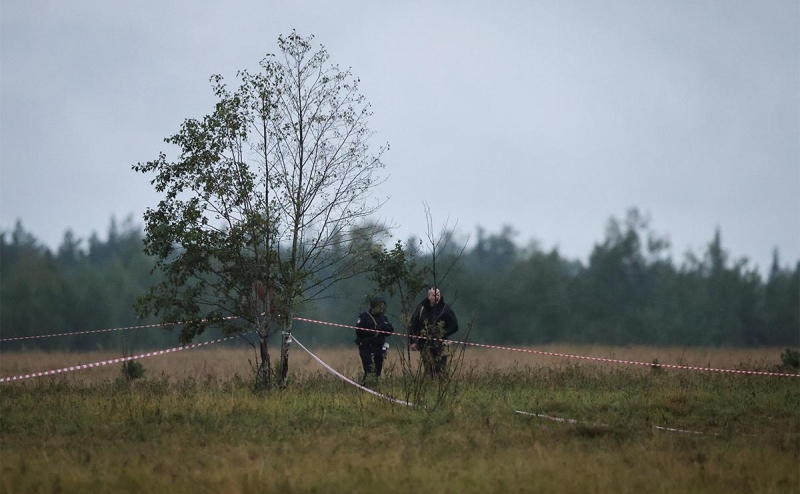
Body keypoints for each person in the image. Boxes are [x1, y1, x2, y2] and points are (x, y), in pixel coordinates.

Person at [409, 287, 459, 376]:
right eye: (434, 295)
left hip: (440, 344)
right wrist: (412, 341)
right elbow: (413, 325)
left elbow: (454, 326)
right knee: (428, 369)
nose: (436, 297)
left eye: (438, 295)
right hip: (424, 344)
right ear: (429, 297)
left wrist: (442, 334)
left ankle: (441, 387)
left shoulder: (445, 309)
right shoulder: (421, 308)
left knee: (441, 369)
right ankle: (429, 386)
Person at [355, 296, 394, 381]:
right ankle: (365, 388)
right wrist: (374, 332)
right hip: (366, 348)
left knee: (377, 372)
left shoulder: (383, 318)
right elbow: (359, 331)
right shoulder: (364, 317)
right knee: (369, 371)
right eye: (379, 306)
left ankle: (375, 387)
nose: (381, 308)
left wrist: (379, 330)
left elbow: (390, 330)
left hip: (379, 348)